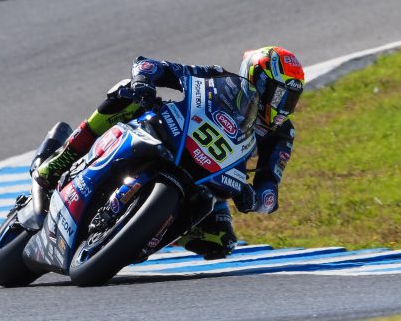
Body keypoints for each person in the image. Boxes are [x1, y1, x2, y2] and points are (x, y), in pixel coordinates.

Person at [32, 47, 304, 260]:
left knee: (220, 241)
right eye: (280, 96)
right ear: (259, 80)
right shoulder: (219, 78)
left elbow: (270, 188)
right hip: (170, 136)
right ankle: (63, 159)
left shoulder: (282, 133)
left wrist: (255, 199)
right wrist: (144, 81)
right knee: (125, 95)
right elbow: (152, 66)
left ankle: (147, 231)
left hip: (212, 178)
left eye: (291, 100)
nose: (284, 106)